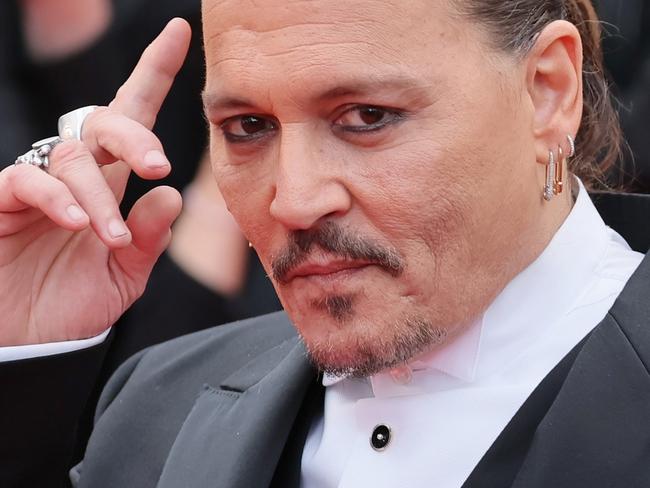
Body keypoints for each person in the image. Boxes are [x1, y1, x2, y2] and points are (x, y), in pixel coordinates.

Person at [1, 2, 649, 488]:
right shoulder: (153, 403)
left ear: (547, 92)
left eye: (367, 117)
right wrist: (32, 357)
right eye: (247, 127)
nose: (295, 199)